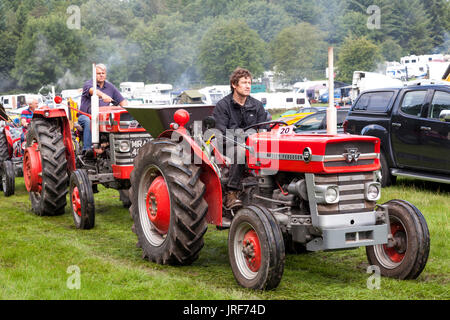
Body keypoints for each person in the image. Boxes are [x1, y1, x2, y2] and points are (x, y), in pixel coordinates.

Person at [212, 67, 267, 209]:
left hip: (253, 144)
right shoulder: (223, 106)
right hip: (227, 145)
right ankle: (232, 192)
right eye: (244, 82)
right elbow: (222, 132)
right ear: (234, 85)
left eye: (249, 82)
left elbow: (263, 130)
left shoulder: (257, 106)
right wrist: (245, 137)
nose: (248, 86)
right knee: (241, 151)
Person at [79, 63, 127, 156]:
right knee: (88, 121)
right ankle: (88, 150)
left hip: (103, 119)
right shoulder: (88, 85)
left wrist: (127, 108)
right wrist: (103, 95)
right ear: (94, 75)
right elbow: (92, 91)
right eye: (98, 73)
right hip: (86, 116)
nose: (101, 75)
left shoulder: (110, 87)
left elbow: (123, 101)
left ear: (106, 74)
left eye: (103, 73)